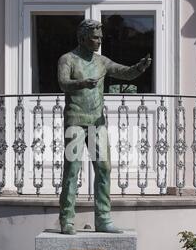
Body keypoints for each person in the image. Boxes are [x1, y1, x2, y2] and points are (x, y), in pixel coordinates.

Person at [58, 19, 151, 234]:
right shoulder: (68, 59)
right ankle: (67, 219)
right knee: (72, 169)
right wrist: (81, 83)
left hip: (97, 122)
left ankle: (103, 218)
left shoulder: (101, 62)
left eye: (100, 37)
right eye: (94, 37)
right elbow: (63, 83)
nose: (99, 41)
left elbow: (124, 72)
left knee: (104, 168)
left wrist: (140, 67)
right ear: (82, 38)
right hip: (75, 122)